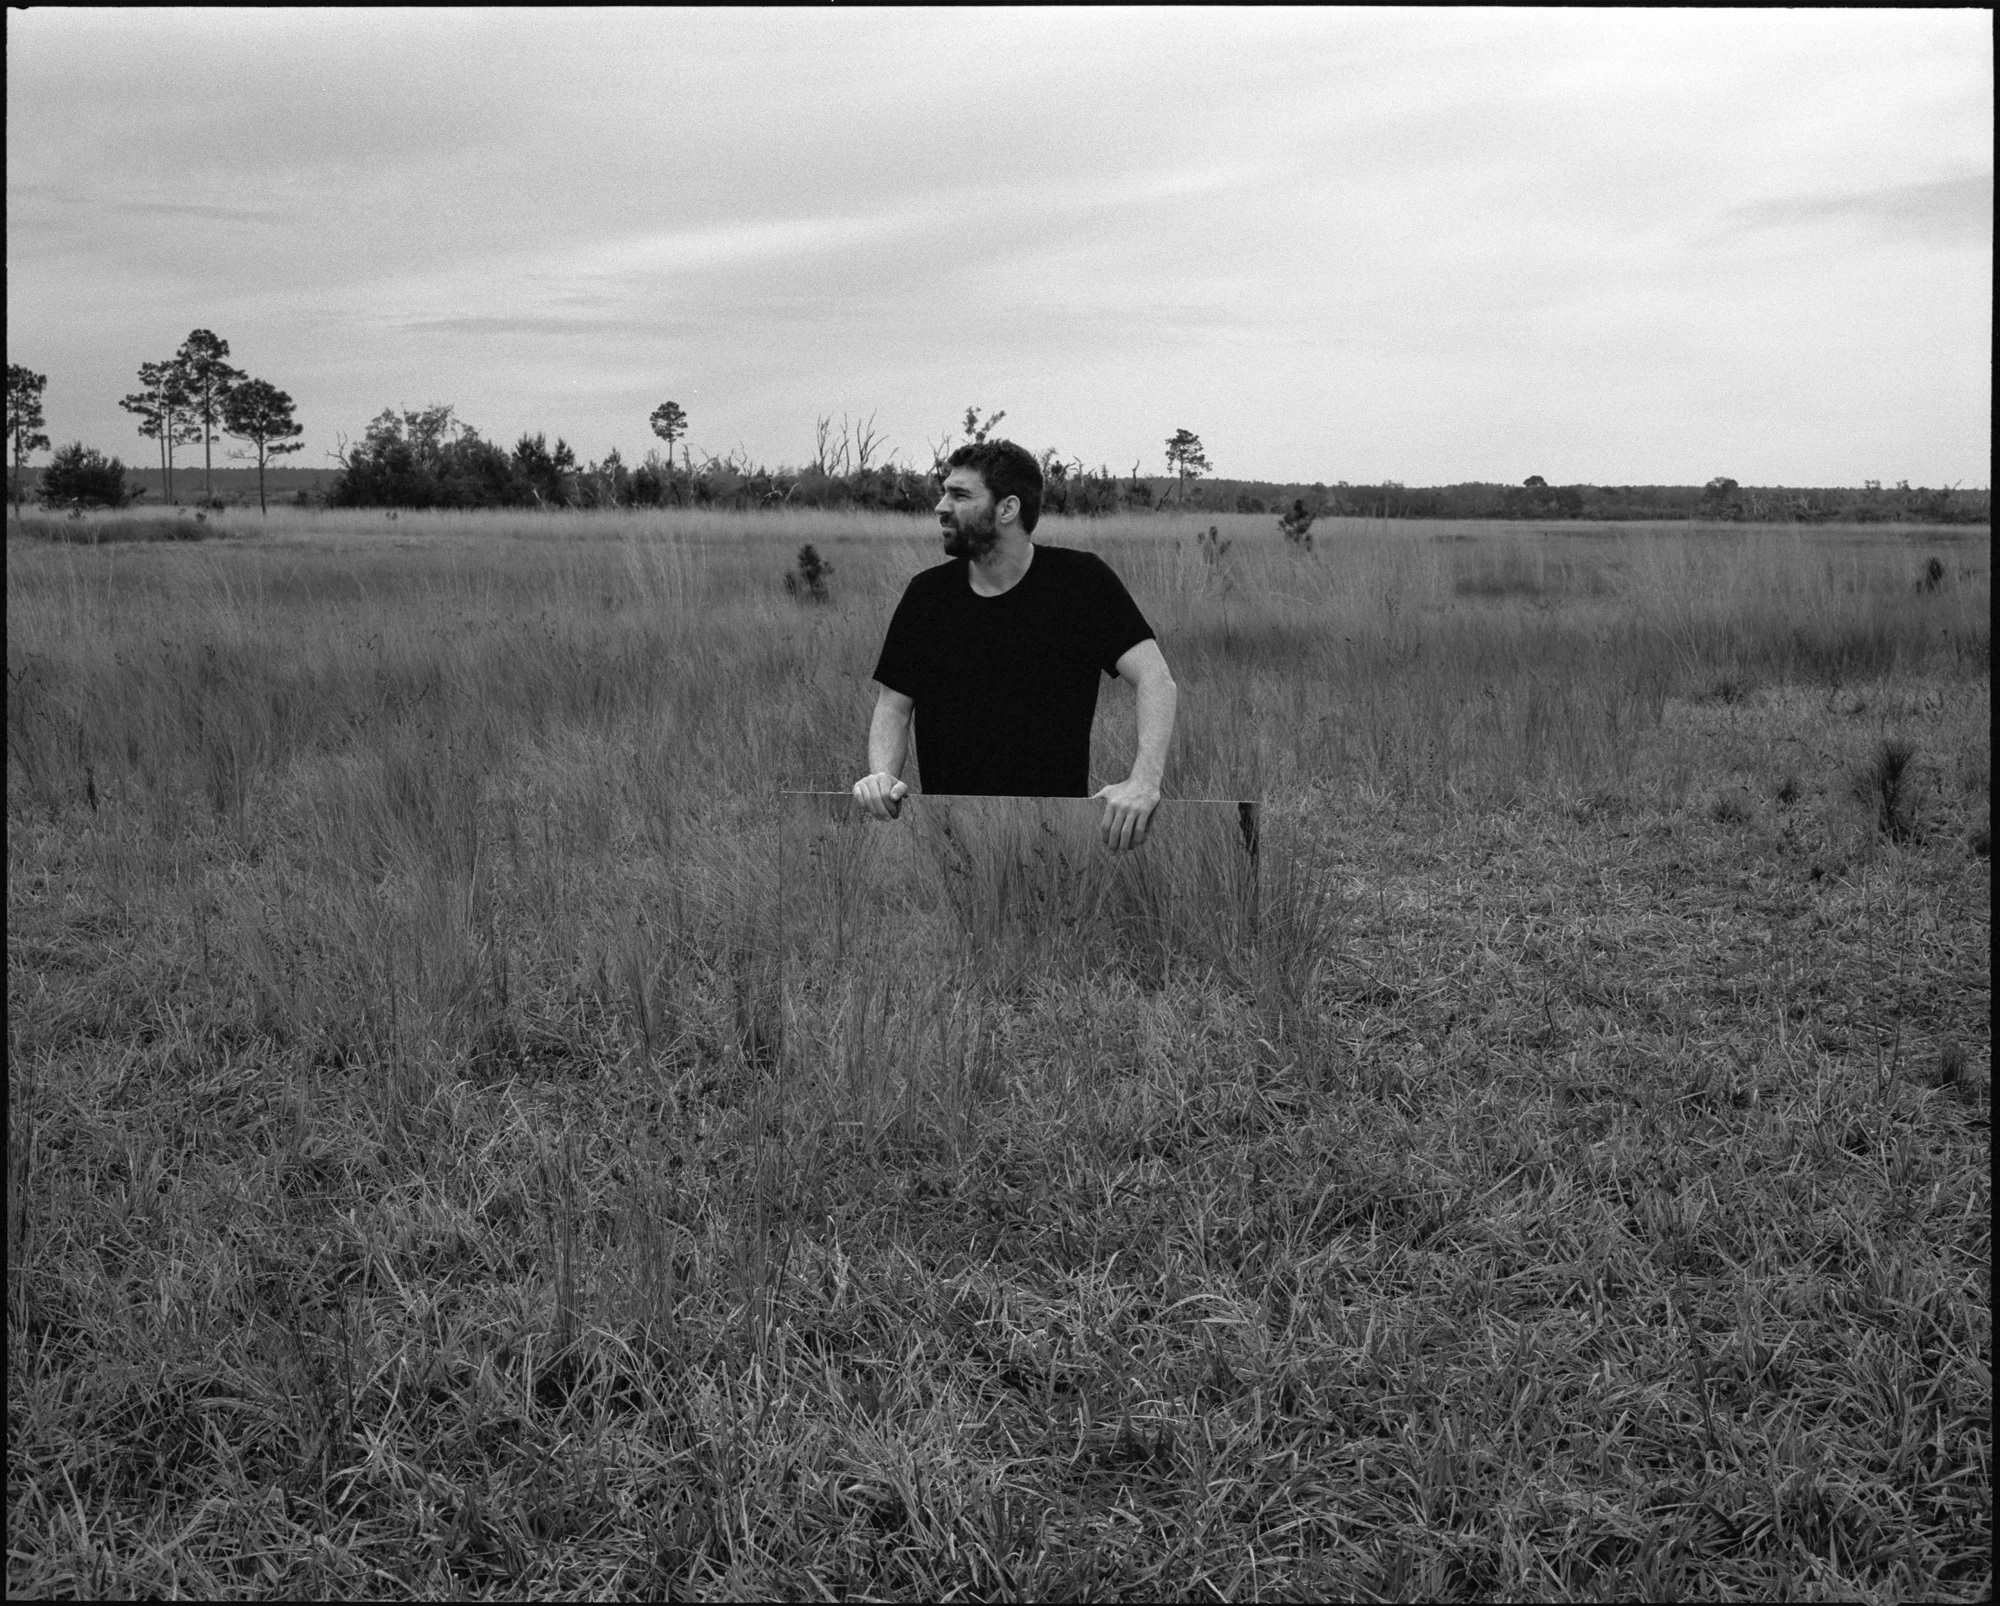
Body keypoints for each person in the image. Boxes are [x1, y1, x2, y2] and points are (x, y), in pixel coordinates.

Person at [852, 439, 1178, 851]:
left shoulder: (1080, 583)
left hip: (1057, 836)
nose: (940, 506)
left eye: (960, 495)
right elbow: (893, 707)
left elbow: (1155, 679)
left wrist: (1144, 782)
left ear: (1007, 508)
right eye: (944, 492)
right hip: (949, 837)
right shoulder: (927, 597)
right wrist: (882, 774)